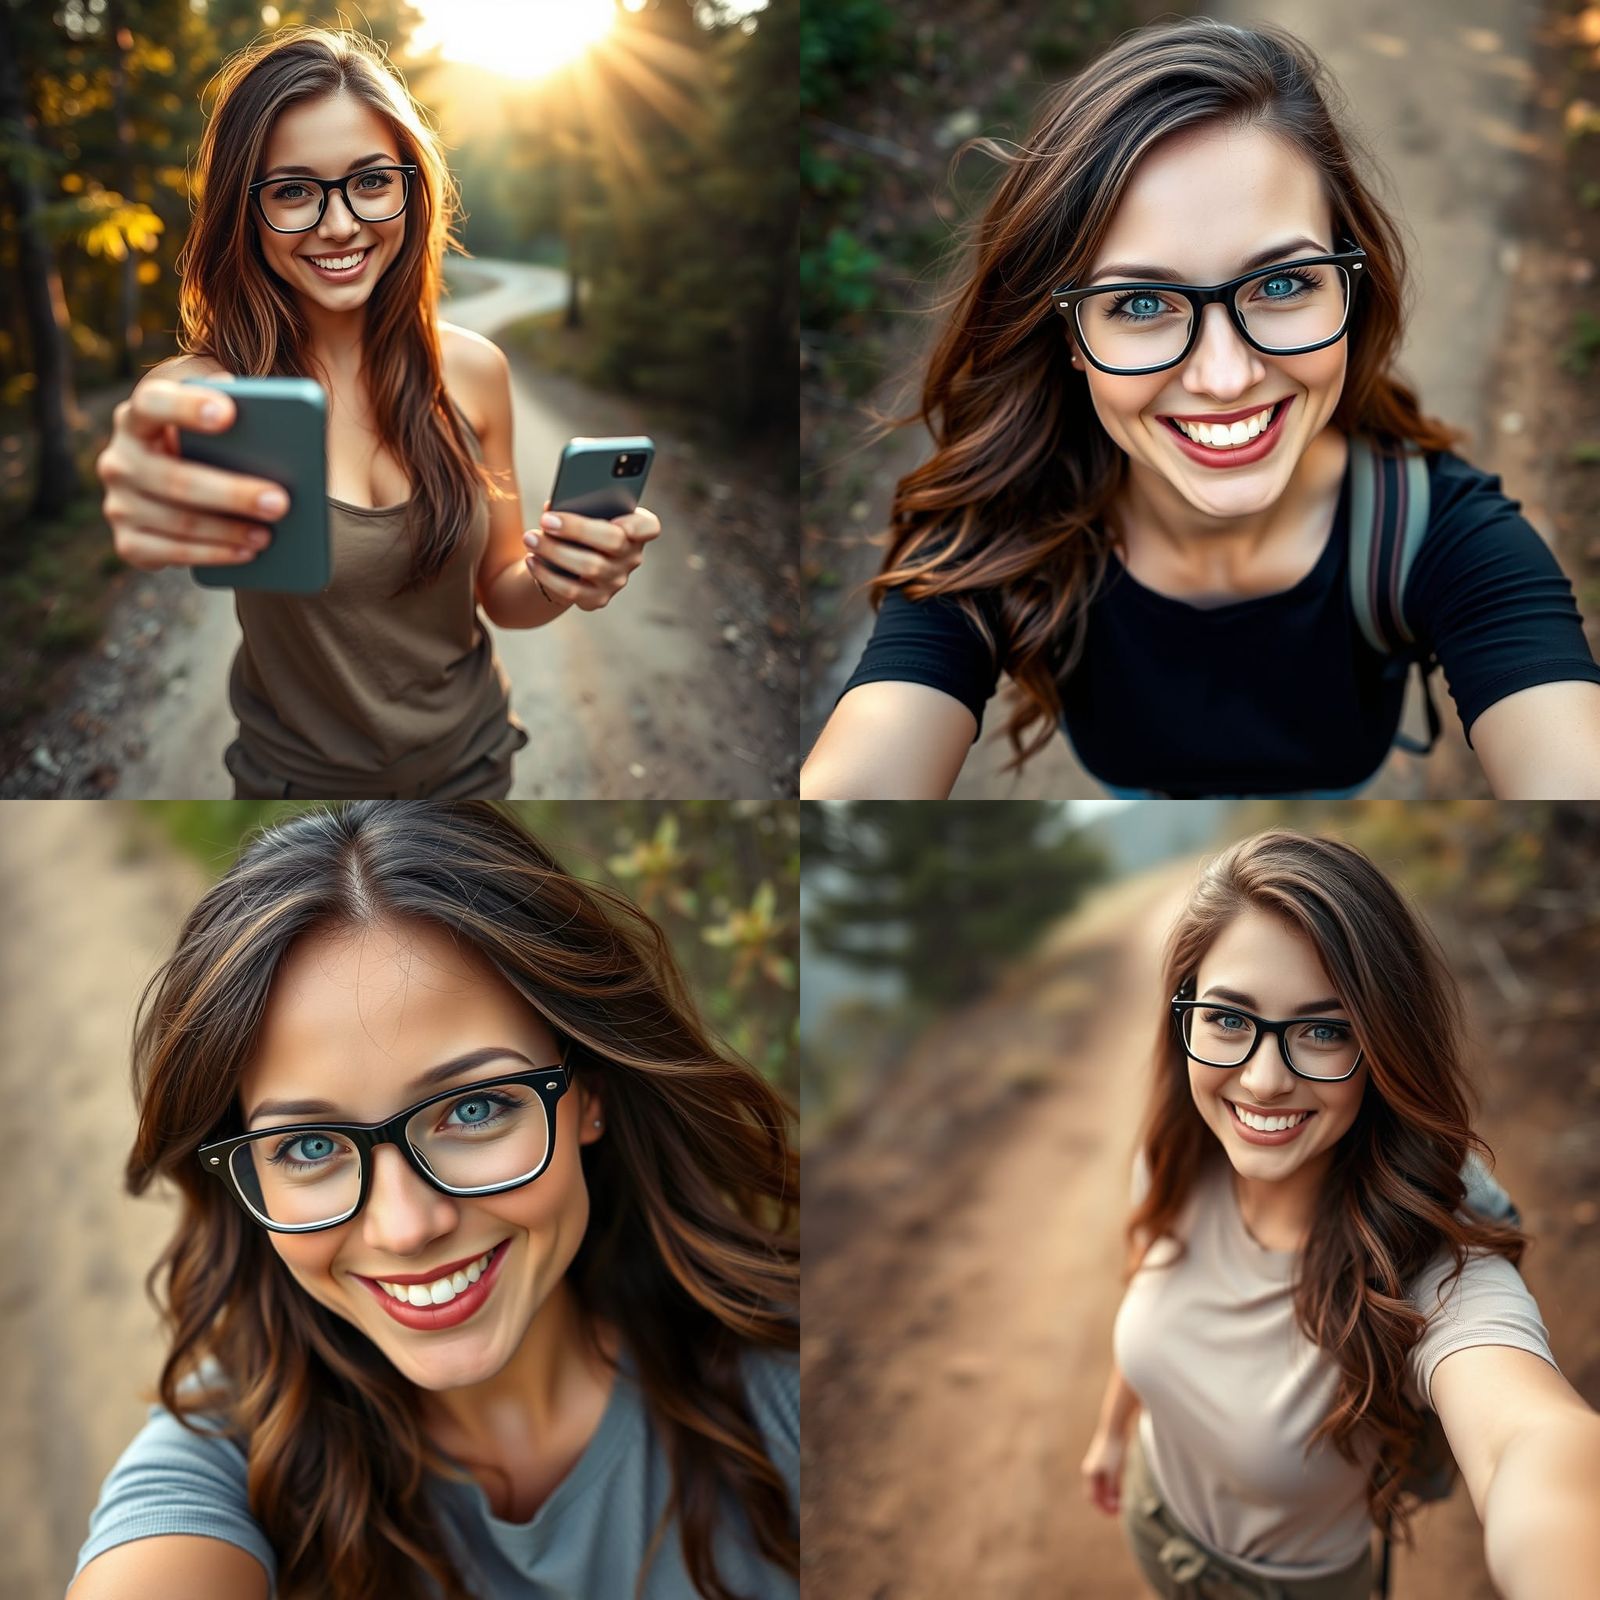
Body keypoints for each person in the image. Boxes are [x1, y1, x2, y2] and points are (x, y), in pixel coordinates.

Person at [802, 18, 1600, 800]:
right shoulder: (993, 537)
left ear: (1350, 290)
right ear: (1070, 338)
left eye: (1283, 284)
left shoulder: (1447, 535)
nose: (1224, 376)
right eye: (1142, 301)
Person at [68, 803, 797, 1600]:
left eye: (475, 1108)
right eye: (309, 1148)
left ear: (588, 1093)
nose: (407, 1226)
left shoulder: (787, 1375)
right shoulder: (223, 1455)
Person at [94, 28, 662, 799]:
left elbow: (502, 592)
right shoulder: (212, 393)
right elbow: (146, 448)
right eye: (293, 191)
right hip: (293, 795)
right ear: (244, 211)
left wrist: (568, 575)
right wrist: (138, 477)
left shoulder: (473, 371)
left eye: (370, 181)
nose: (338, 224)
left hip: (476, 770)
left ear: (409, 188)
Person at [1080, 830, 1600, 1598]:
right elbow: (1150, 1288)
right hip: (1158, 1526)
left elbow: (1529, 1437)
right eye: (1228, 1019)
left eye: (1326, 1031)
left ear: (1386, 1048)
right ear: (1183, 1016)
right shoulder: (1176, 1158)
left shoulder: (1426, 1264)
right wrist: (1112, 1432)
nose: (1261, 1081)